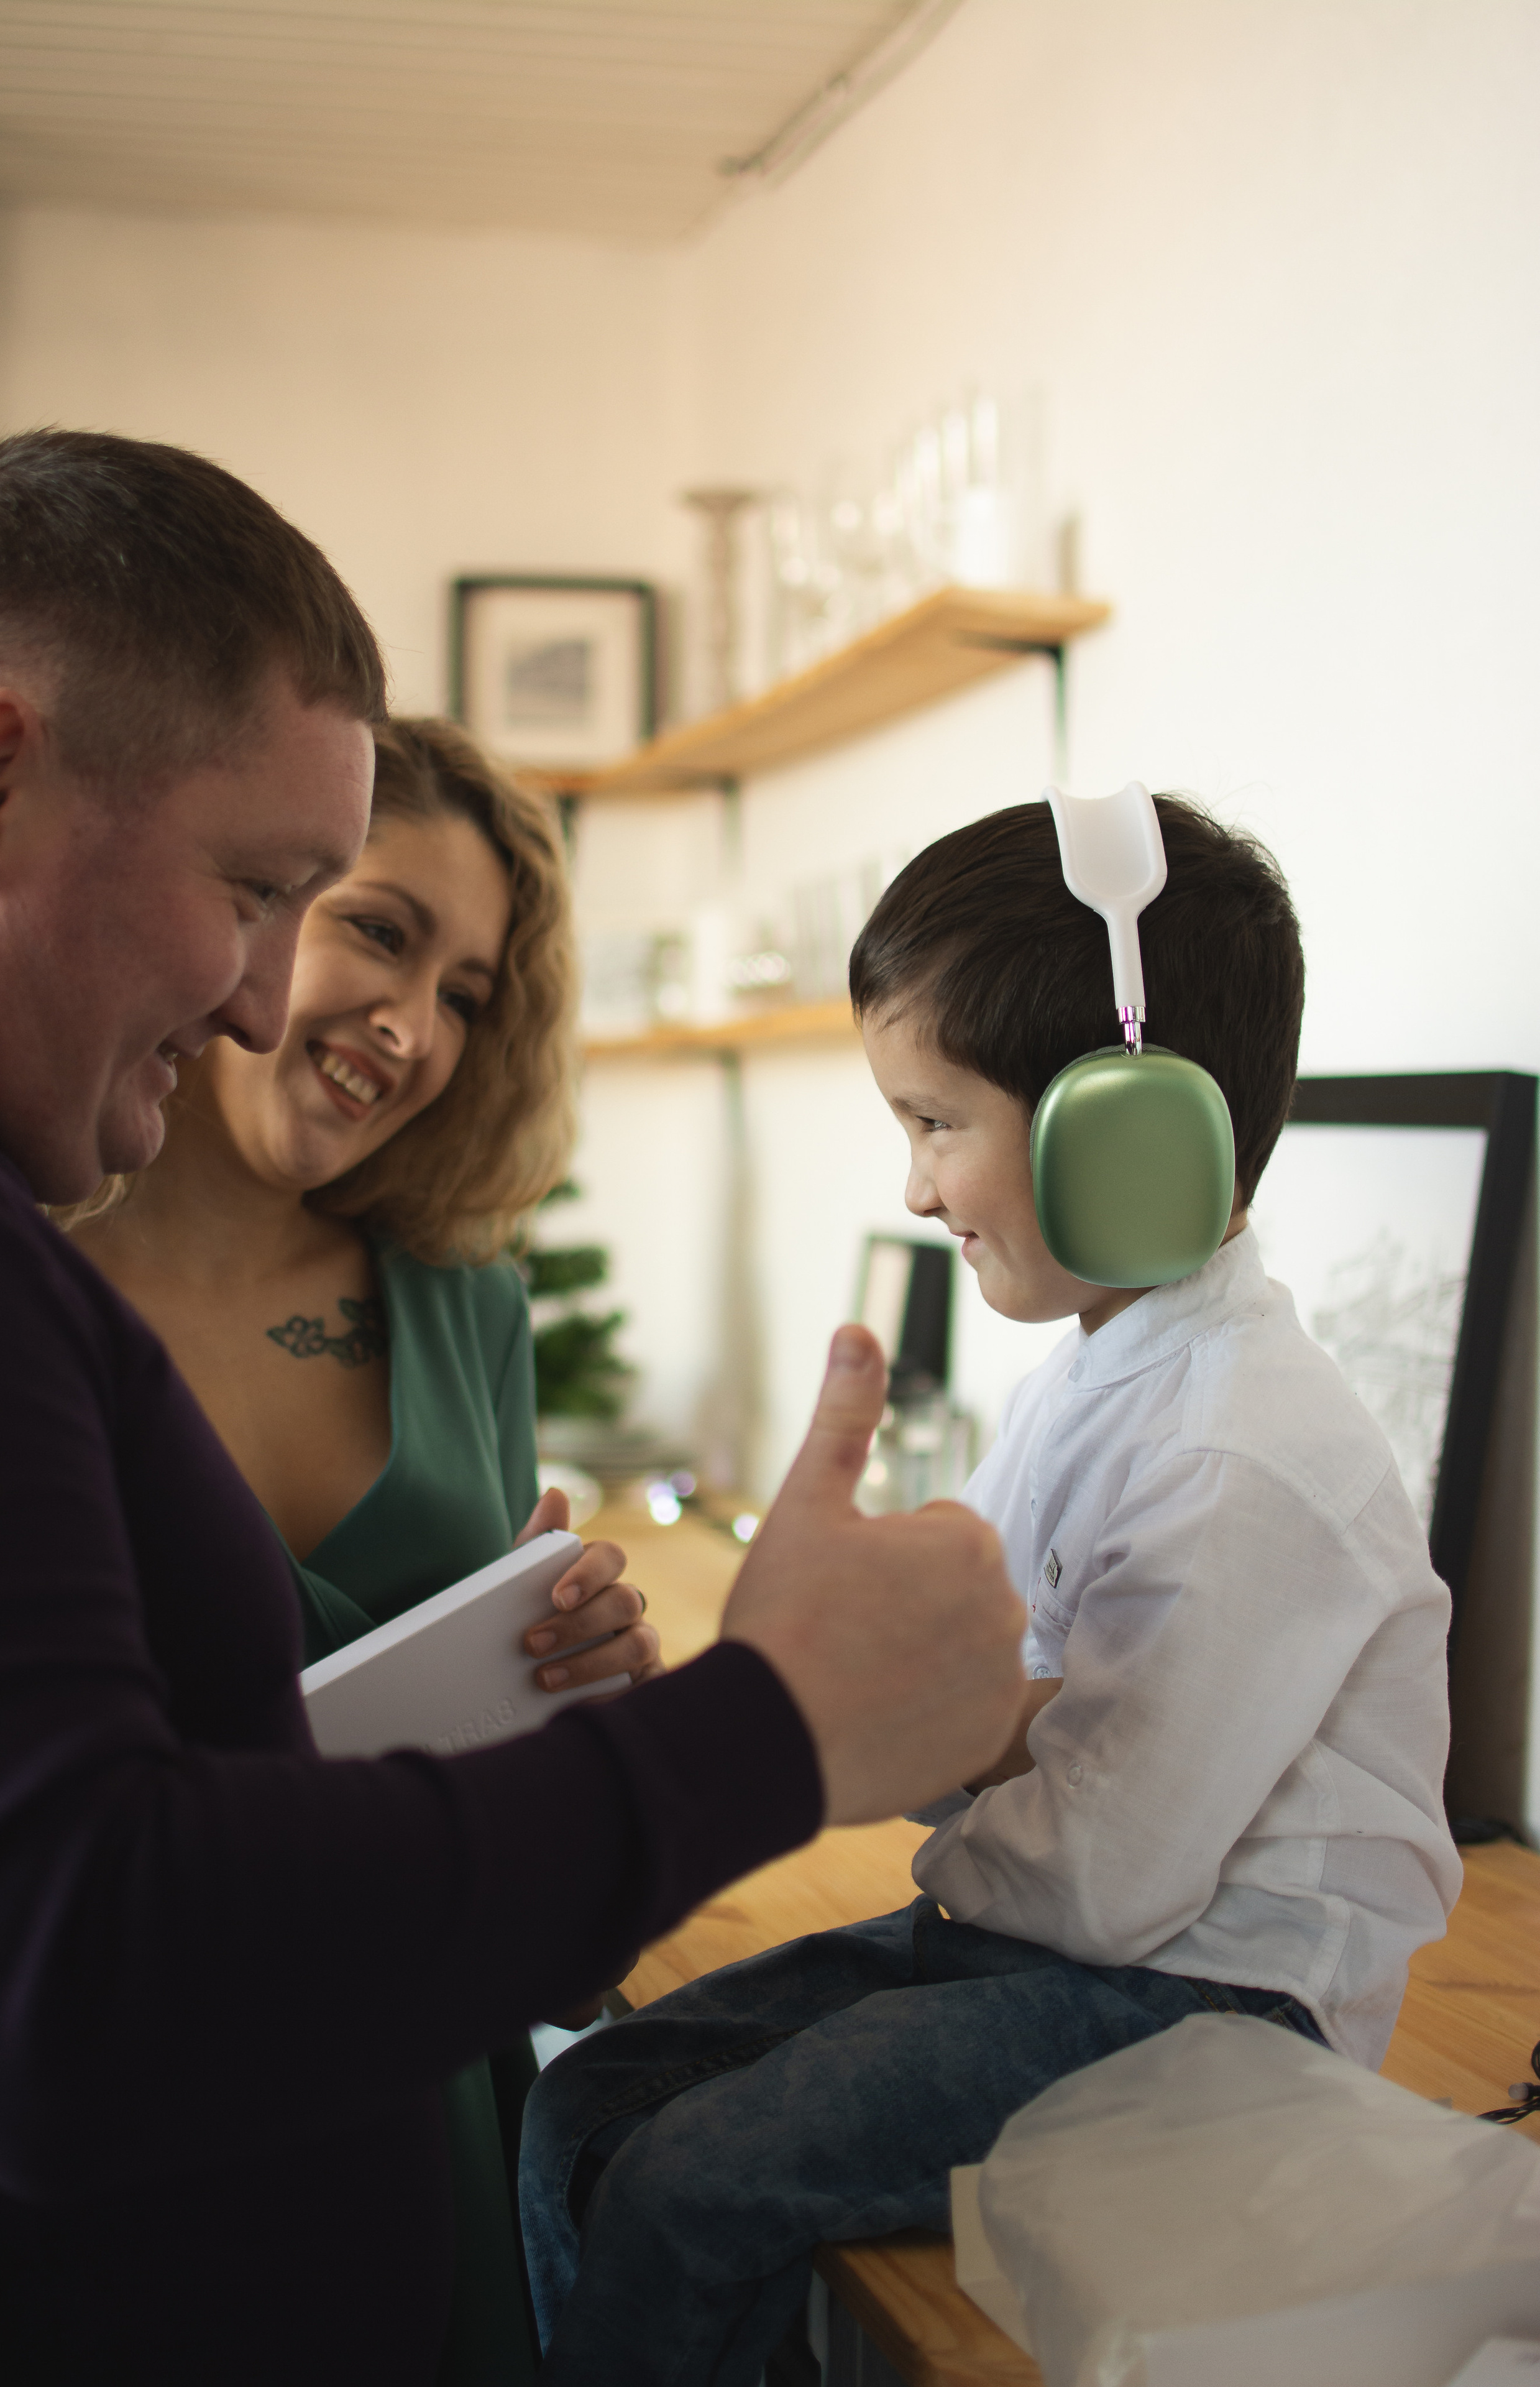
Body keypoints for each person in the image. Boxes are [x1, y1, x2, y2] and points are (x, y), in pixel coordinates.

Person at [0, 428, 1027, 2387]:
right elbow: (71, 1982)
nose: (291, 1008)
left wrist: (548, 1705)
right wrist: (762, 1727)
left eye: (466, 988)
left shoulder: (379, 1291)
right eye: (273, 894)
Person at [519, 797, 1464, 2386]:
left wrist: (909, 1740)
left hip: (1206, 2006)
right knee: (582, 2098)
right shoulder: (1097, 1376)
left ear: (1126, 1129)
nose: (910, 1188)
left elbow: (1103, 1877)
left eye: (931, 1122)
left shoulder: (1248, 1453)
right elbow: (974, 1672)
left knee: (695, 2185)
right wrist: (764, 1691)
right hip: (1047, 1937)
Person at [65, 712, 659, 2383]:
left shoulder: (467, 1309)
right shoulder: (16, 1282)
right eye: (380, 933)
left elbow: (561, 1920)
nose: (409, 1030)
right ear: (252, 908)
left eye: (469, 993)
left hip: (420, 2131)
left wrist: (580, 1714)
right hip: (108, 2154)